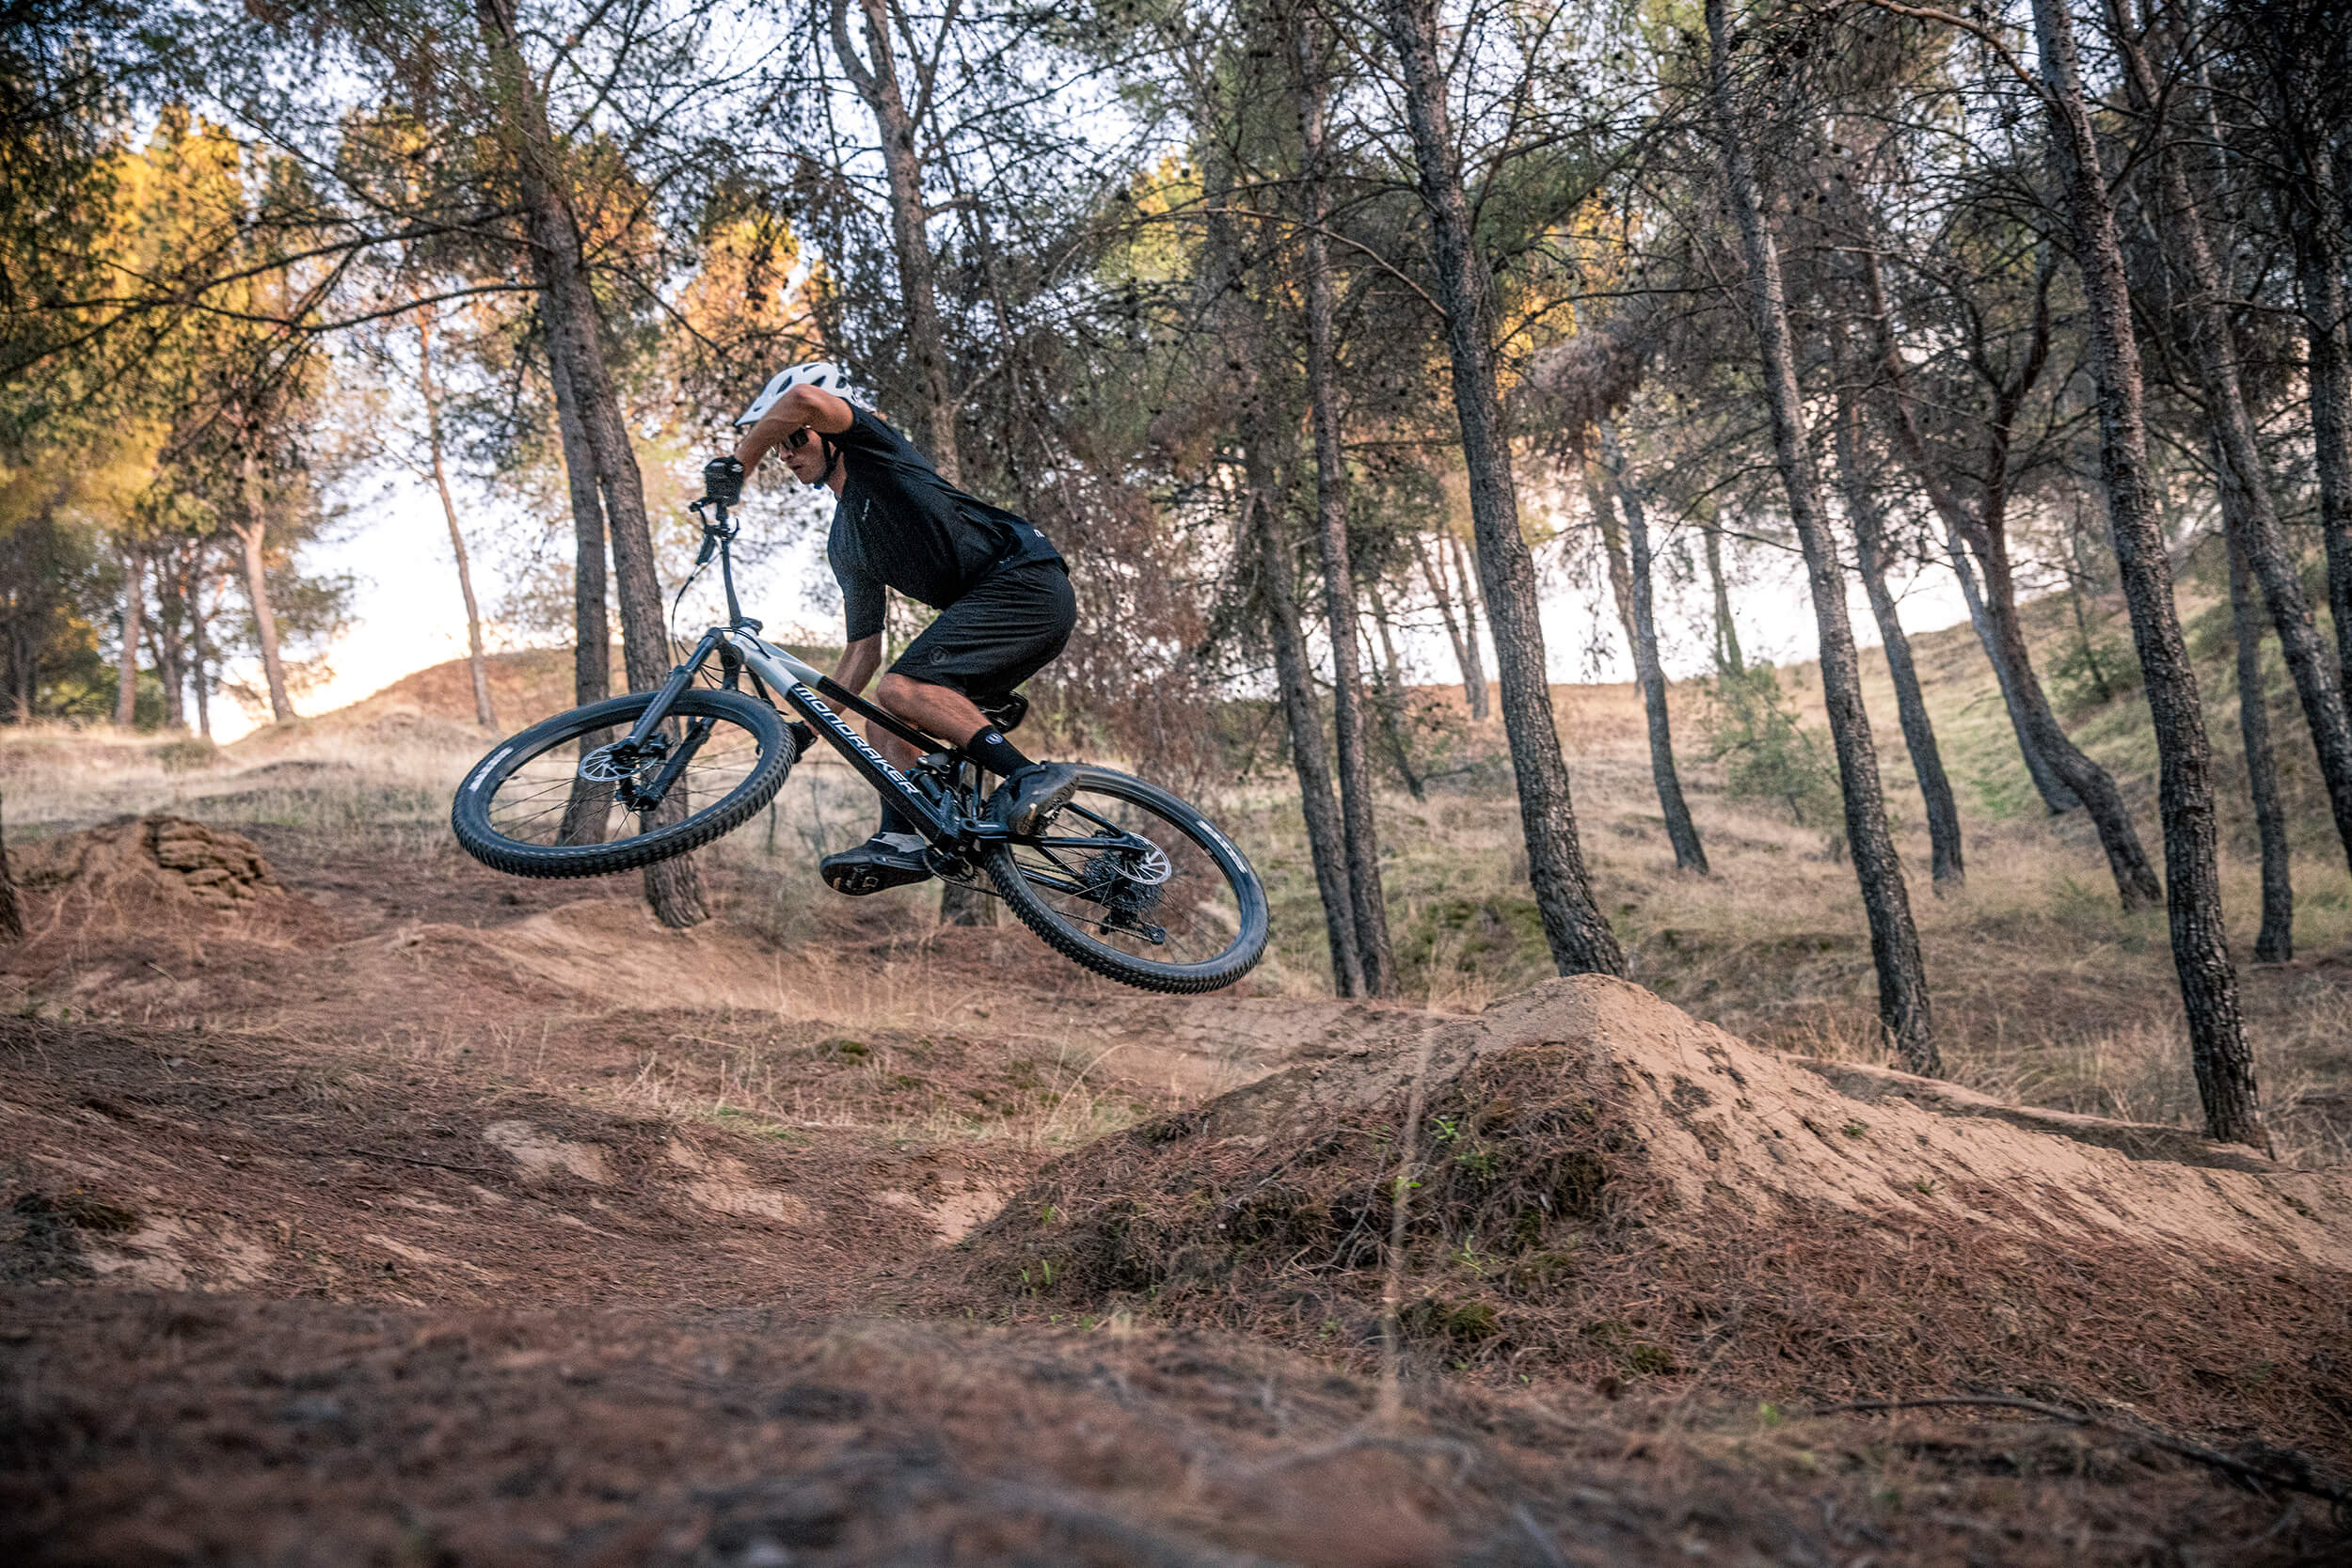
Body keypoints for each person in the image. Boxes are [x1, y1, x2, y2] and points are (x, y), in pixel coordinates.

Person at [702, 362, 1079, 895]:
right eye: (780, 445)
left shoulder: (877, 451)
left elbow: (805, 397)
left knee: (905, 688)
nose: (784, 454)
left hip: (1026, 585)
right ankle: (903, 839)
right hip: (1000, 609)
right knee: (884, 721)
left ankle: (1029, 777)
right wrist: (808, 730)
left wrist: (739, 464)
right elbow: (862, 653)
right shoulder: (845, 544)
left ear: (829, 432)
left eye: (795, 438)